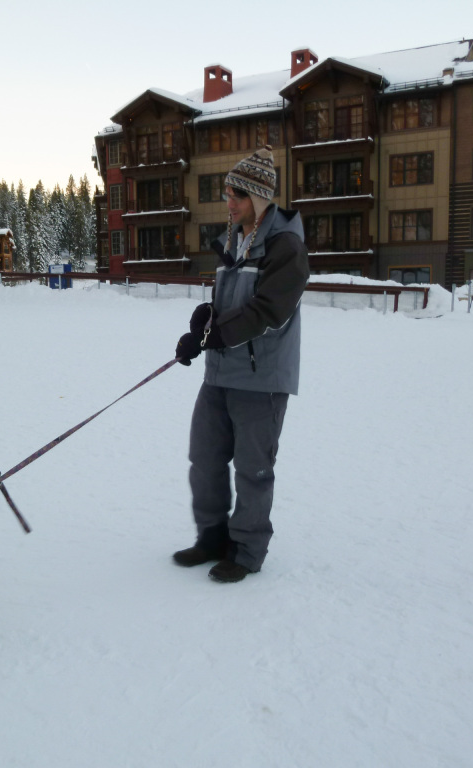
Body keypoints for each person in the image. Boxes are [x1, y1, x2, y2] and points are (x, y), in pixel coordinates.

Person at [173, 146, 309, 583]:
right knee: (205, 458)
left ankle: (247, 550)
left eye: (237, 195)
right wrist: (202, 324)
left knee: (253, 468)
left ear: (261, 198)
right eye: (227, 192)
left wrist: (218, 334)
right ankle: (212, 537)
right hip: (221, 374)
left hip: (262, 378)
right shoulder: (235, 237)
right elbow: (229, 302)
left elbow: (269, 311)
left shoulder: (285, 246)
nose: (228, 202)